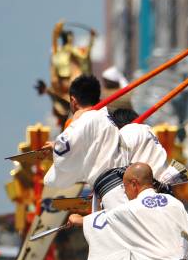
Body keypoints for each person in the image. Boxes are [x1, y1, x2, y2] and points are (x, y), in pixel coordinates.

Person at [42, 74, 127, 204]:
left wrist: (55, 147)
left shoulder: (83, 120)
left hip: (109, 189)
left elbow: (64, 148)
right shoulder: (106, 116)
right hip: (119, 183)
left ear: (73, 101)